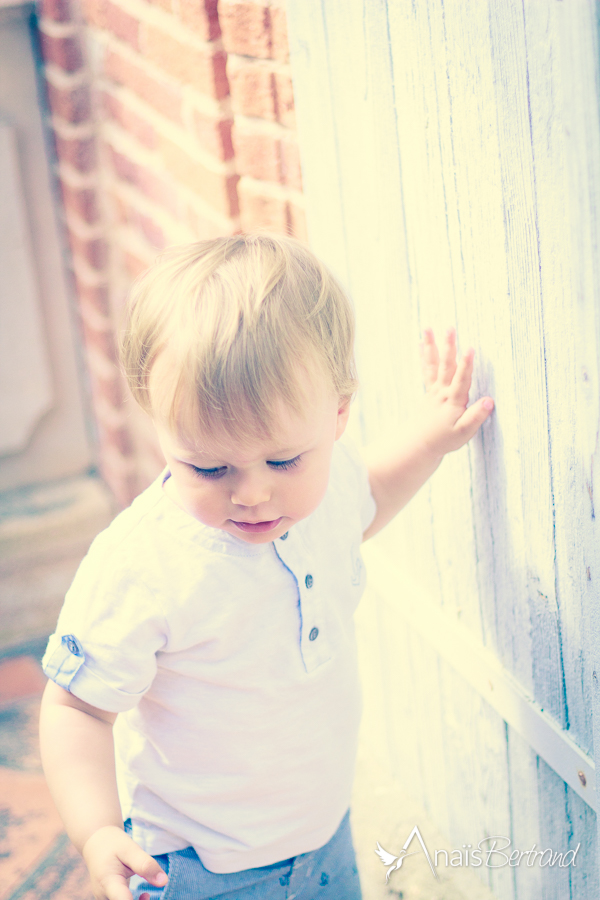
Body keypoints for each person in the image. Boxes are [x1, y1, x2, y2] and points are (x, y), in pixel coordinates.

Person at [39, 234, 494, 900]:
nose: (252, 493)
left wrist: (431, 437)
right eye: (208, 467)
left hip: (324, 839)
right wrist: (97, 830)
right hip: (198, 871)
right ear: (159, 432)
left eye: (282, 461)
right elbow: (76, 707)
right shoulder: (144, 564)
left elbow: (366, 500)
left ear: (338, 416)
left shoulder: (330, 486)